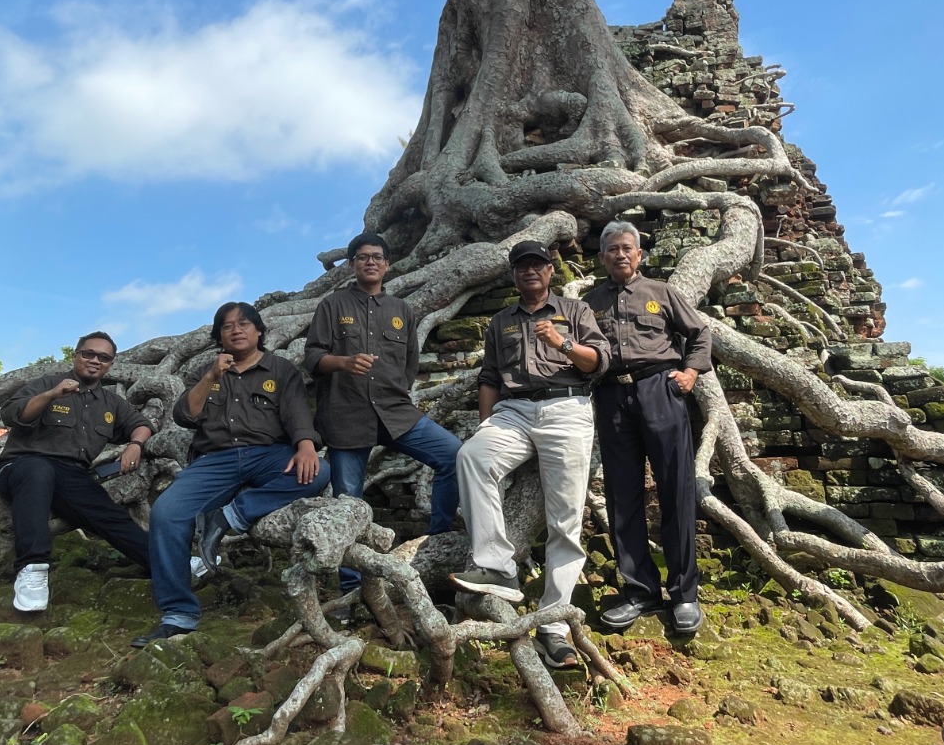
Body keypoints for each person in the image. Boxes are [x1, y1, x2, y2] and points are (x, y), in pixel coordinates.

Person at [132, 301, 330, 646]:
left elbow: (298, 414)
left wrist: (306, 445)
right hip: (216, 459)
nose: (236, 330)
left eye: (243, 324)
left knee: (317, 472)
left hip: (269, 454)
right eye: (227, 326)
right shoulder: (205, 372)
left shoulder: (280, 369)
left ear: (259, 331)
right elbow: (185, 416)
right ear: (218, 336)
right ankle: (178, 613)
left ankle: (228, 517)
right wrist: (211, 376)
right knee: (166, 513)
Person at [450, 240, 609, 669]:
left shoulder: (575, 311)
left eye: (538, 264)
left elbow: (598, 361)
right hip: (514, 410)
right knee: (472, 457)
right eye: (522, 266)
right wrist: (486, 424)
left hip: (567, 407)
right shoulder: (500, 320)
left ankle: (553, 628)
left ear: (550, 271)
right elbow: (488, 378)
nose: (530, 272)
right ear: (514, 275)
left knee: (566, 521)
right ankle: (497, 567)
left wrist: (562, 343)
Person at [304, 231, 463, 601]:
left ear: (387, 265)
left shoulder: (401, 311)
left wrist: (392, 391)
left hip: (396, 413)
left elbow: (408, 366)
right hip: (346, 414)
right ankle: (351, 588)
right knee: (349, 502)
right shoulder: (332, 305)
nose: (370, 262)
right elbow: (312, 358)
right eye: (362, 257)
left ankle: (437, 540)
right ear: (353, 264)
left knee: (453, 454)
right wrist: (344, 362)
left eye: (377, 256)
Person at [584, 221, 713, 636]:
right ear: (602, 257)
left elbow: (700, 333)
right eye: (612, 250)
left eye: (627, 248)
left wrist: (691, 373)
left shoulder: (661, 292)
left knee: (676, 489)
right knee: (623, 494)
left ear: (639, 254)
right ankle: (640, 591)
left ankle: (684, 593)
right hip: (612, 397)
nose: (620, 255)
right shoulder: (590, 303)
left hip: (661, 390)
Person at [0, 332, 153, 612]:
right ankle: (32, 568)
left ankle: (165, 562)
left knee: (108, 512)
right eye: (88, 354)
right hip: (21, 465)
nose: (94, 361)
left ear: (110, 364)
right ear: (75, 356)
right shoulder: (46, 384)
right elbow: (13, 415)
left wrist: (135, 444)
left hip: (70, 474)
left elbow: (141, 423)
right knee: (39, 470)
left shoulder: (110, 402)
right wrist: (52, 395)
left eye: (103, 357)